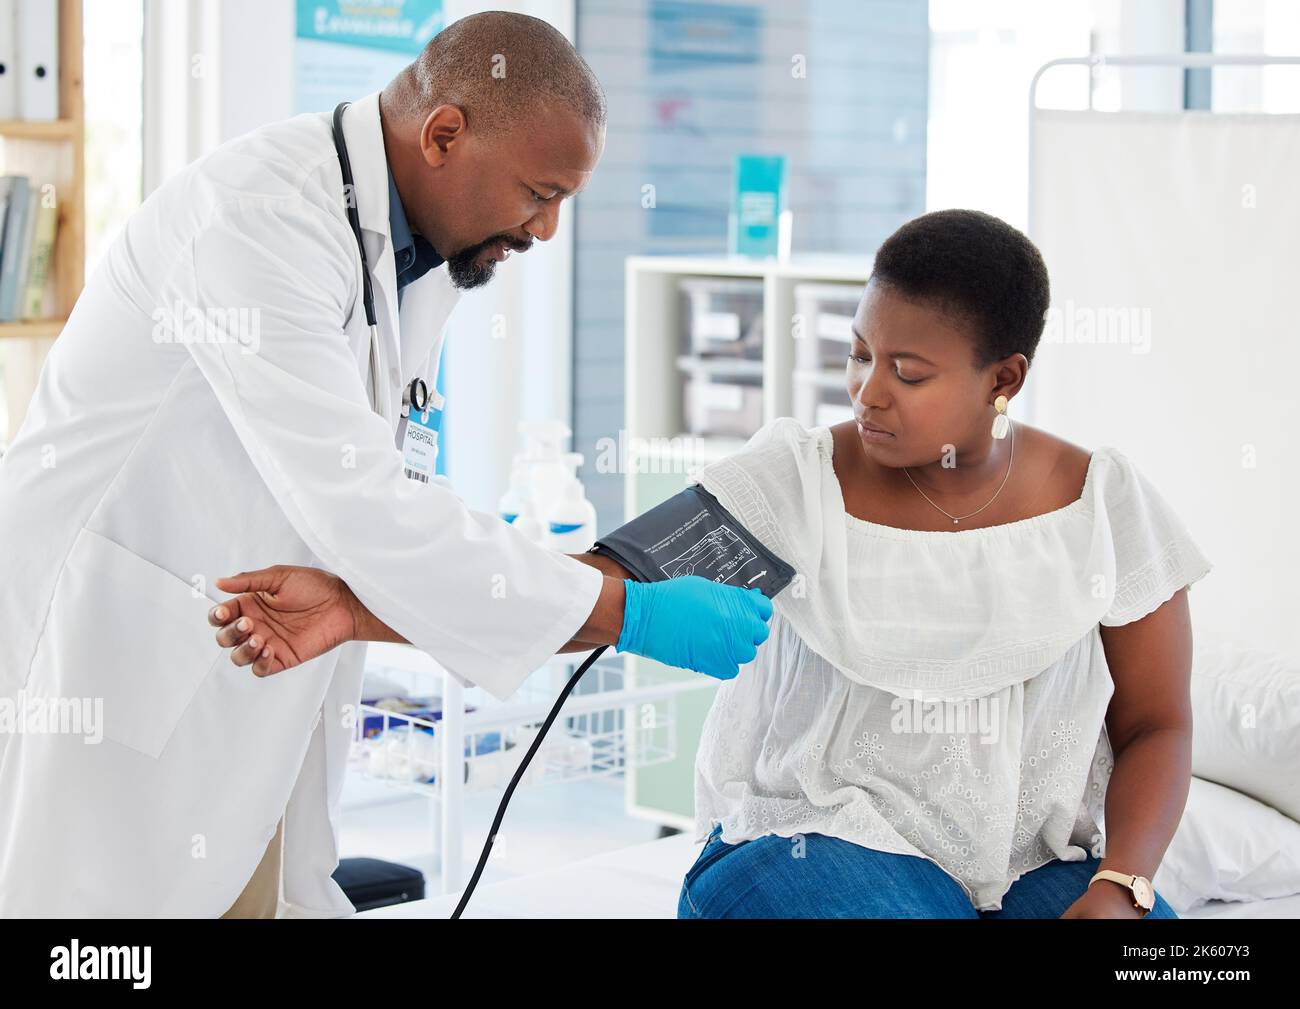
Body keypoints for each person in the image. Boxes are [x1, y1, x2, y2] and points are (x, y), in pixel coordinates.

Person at [217, 210, 1210, 919]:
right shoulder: (798, 480)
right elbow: (581, 586)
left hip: (1038, 866)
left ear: (1005, 380)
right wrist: (354, 607)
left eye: (907, 372)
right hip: (817, 843)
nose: (867, 391)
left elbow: (1157, 721)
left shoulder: (1102, 505)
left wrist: (1120, 884)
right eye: (857, 352)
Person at [0, 11, 769, 918]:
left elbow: (385, 481)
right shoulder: (258, 222)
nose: (550, 230)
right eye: (539, 192)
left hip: (245, 658)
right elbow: (365, 508)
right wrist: (622, 610)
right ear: (444, 133)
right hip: (110, 645)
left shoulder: (418, 252)